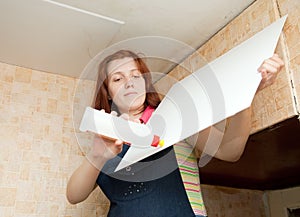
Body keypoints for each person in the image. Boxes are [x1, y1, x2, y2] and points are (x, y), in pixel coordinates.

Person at [66, 50, 284, 217]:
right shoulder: (106, 136)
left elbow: (230, 150)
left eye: (136, 75)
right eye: (117, 78)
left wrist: (245, 95)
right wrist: (97, 156)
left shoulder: (176, 117)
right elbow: (74, 196)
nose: (129, 82)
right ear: (108, 93)